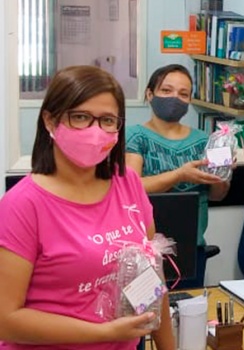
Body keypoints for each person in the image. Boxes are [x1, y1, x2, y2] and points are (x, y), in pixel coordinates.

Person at [0, 66, 174, 350]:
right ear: (50, 120)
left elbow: (151, 276)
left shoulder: (127, 182)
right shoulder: (22, 205)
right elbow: (5, 319)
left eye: (107, 120)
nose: (95, 131)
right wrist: (105, 333)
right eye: (80, 117)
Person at [125, 64, 230, 287]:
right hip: (145, 248)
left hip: (192, 246)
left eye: (183, 94)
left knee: (190, 312)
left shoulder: (204, 140)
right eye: (166, 91)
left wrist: (223, 174)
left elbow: (217, 196)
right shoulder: (135, 137)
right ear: (149, 94)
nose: (175, 98)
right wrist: (180, 175)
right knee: (147, 316)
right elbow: (133, 188)